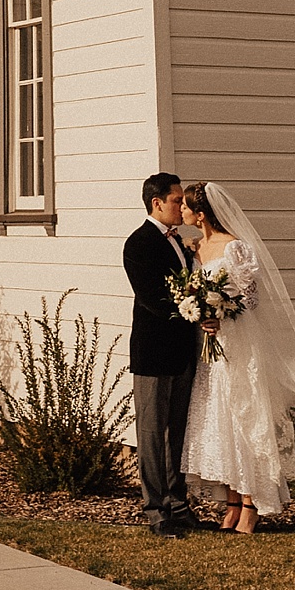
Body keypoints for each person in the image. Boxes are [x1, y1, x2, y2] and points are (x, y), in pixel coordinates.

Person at [179, 180, 295, 531]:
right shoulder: (197, 249)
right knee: (218, 418)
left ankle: (253, 504)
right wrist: (199, 312)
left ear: (201, 212)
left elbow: (252, 299)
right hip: (212, 350)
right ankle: (232, 503)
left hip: (239, 342)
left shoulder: (235, 247)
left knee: (245, 416)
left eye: (186, 206)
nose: (180, 210)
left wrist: (221, 311)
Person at [122, 171, 200, 536]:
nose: (181, 206)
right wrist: (196, 307)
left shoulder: (181, 243)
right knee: (152, 433)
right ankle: (156, 511)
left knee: (178, 433)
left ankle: (179, 503)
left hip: (184, 352)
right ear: (157, 203)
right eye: (176, 200)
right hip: (154, 353)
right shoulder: (139, 243)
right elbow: (153, 299)